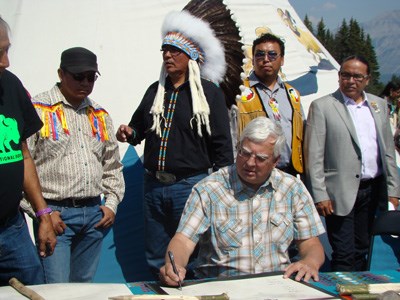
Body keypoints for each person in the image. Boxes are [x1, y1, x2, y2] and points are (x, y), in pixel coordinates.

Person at [116, 10, 233, 277]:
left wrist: (224, 188)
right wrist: (129, 132)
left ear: (190, 55)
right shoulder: (155, 91)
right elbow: (139, 128)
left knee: (190, 254)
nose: (167, 56)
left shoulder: (209, 93)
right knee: (156, 254)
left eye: (174, 51)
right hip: (153, 186)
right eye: (165, 51)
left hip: (190, 186)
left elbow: (222, 145)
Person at [159, 117, 325, 285]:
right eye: (244, 153)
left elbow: (310, 243)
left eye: (260, 158)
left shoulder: (292, 188)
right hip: (222, 288)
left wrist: (310, 262)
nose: (250, 163)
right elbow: (183, 240)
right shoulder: (209, 189)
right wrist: (174, 266)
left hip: (278, 286)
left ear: (275, 161)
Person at [27, 47, 125, 283]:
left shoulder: (99, 114)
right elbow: (20, 167)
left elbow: (112, 165)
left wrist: (111, 204)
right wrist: (42, 213)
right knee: (56, 288)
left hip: (93, 216)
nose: (85, 83)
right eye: (78, 76)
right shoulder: (37, 109)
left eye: (91, 77)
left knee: (84, 288)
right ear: (61, 73)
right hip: (55, 216)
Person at [304, 55, 400, 272]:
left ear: (367, 79)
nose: (350, 80)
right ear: (339, 77)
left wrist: (394, 189)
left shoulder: (378, 105)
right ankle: (342, 292)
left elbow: (387, 152)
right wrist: (320, 194)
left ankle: (360, 290)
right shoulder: (323, 107)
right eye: (345, 75)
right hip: (339, 192)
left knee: (363, 248)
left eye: (357, 76)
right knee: (344, 251)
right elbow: (314, 155)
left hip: (372, 189)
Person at [0, 16, 56, 286]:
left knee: (34, 290)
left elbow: (22, 154)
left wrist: (42, 213)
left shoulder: (10, 86)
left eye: (7, 50)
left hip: (13, 228)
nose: (5, 62)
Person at [235, 33, 304, 176]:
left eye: (272, 55)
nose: (266, 59)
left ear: (282, 59)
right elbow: (231, 135)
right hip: (253, 172)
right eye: (260, 55)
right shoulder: (239, 92)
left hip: (290, 172)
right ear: (253, 59)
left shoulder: (293, 94)